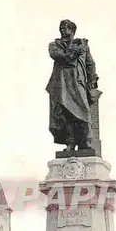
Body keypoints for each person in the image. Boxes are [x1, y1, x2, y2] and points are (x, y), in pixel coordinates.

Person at [46, 19, 99, 151]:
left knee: (83, 111)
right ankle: (70, 143)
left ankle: (86, 141)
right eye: (61, 28)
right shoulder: (55, 45)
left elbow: (90, 63)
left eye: (65, 28)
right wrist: (74, 52)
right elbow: (58, 56)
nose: (62, 30)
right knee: (66, 114)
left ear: (72, 30)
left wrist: (92, 80)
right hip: (62, 83)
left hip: (78, 82)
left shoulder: (83, 45)